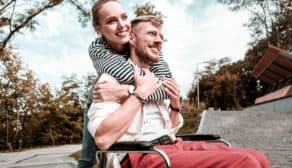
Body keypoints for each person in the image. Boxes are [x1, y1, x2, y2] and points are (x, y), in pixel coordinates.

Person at [88, 15, 271, 168]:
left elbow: (171, 129)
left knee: (259, 158)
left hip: (173, 145)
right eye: (152, 34)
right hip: (141, 155)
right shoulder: (110, 81)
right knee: (246, 163)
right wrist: (138, 94)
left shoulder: (159, 78)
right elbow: (102, 140)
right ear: (132, 39)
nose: (159, 40)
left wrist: (175, 106)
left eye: (161, 36)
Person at [78, 0, 172, 167]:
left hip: (118, 90)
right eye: (111, 21)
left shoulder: (141, 40)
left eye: (124, 17)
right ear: (99, 29)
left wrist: (126, 91)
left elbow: (166, 85)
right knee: (88, 156)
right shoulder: (98, 49)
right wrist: (143, 88)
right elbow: (151, 84)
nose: (122, 25)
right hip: (102, 95)